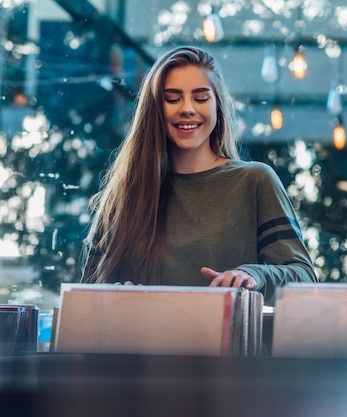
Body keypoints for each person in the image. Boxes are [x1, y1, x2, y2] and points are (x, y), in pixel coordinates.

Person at [81, 45, 317, 305]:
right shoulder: (125, 194)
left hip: (230, 344)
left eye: (201, 98)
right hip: (143, 344)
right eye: (172, 98)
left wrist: (252, 275)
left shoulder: (255, 181)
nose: (187, 109)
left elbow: (304, 278)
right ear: (155, 111)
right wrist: (118, 294)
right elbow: (87, 294)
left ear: (218, 107)